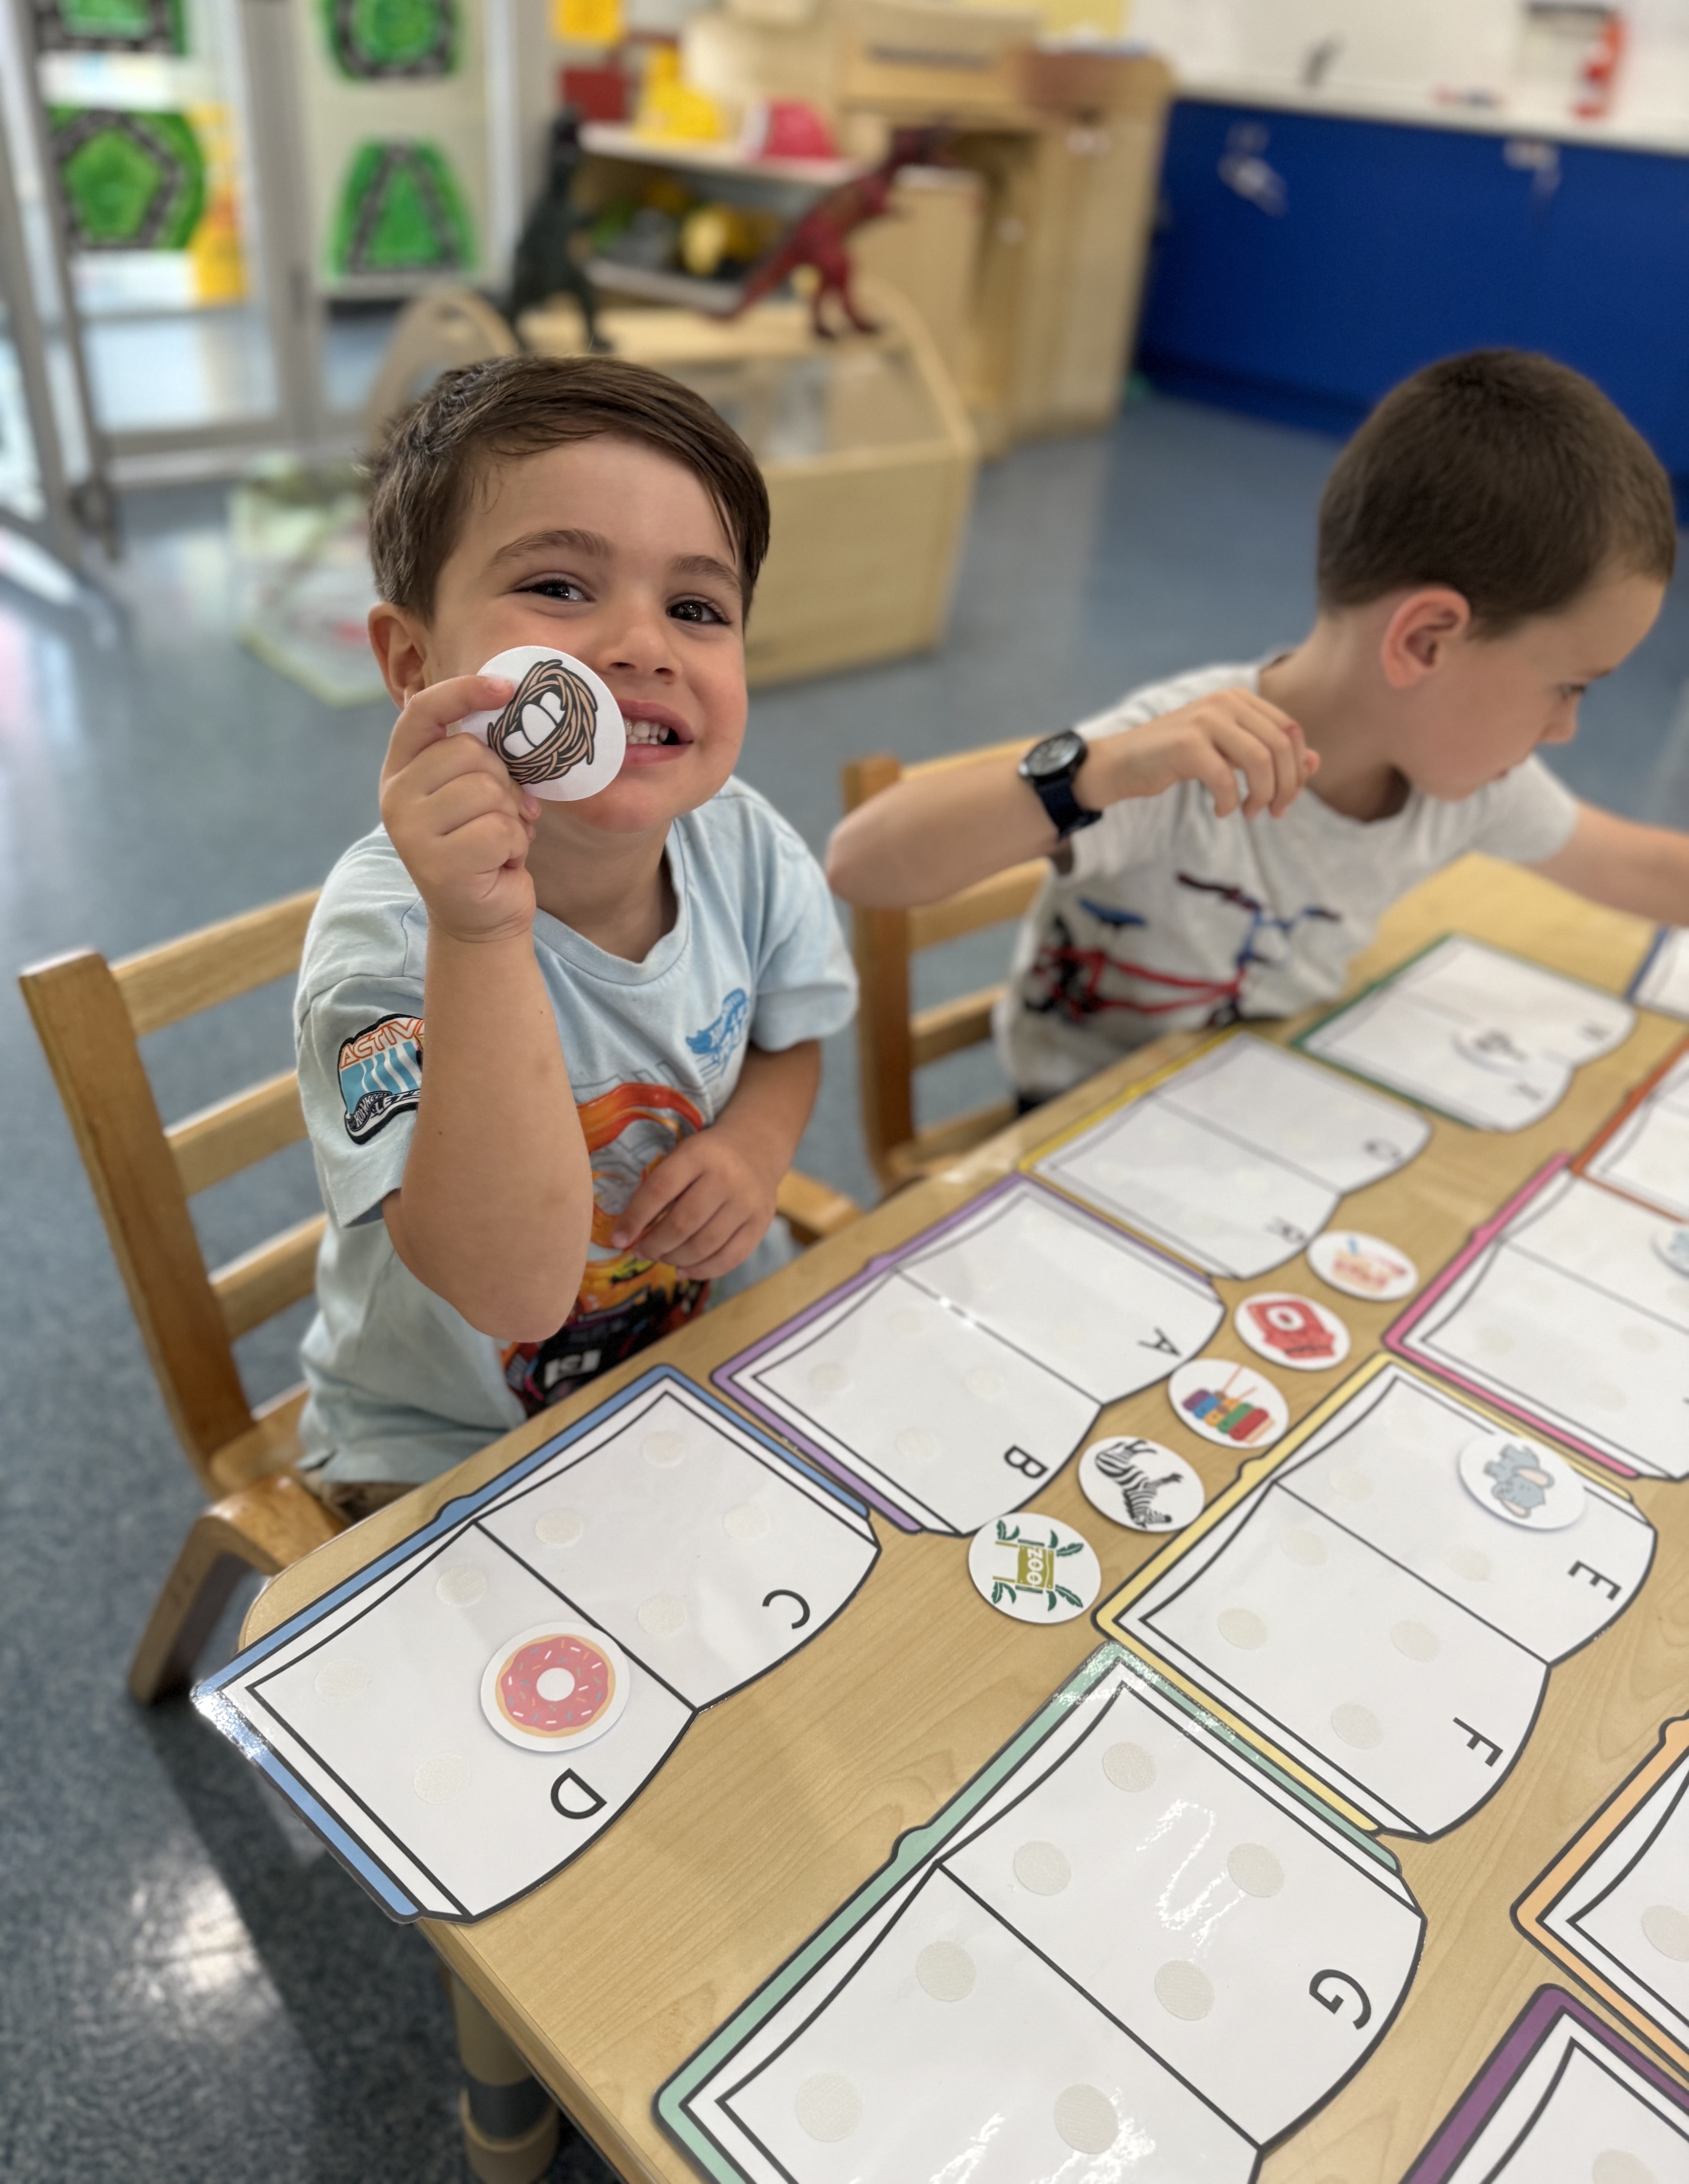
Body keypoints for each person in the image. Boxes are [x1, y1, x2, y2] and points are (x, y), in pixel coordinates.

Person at [293, 354, 855, 1520]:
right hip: (441, 1436)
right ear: (415, 664)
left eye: (697, 609)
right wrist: (482, 928)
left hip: (693, 1348)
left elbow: (793, 1038)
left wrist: (753, 1147)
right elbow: (509, 1292)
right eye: (558, 586)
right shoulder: (381, 948)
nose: (643, 645)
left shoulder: (744, 847)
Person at [827, 350, 1689, 1107]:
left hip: (1260, 1107)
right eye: (1569, 687)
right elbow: (862, 862)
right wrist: (1095, 772)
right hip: (1077, 1134)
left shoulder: (1463, 787)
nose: (1570, 729)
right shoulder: (1178, 765)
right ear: (1425, 641)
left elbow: (1637, 868)